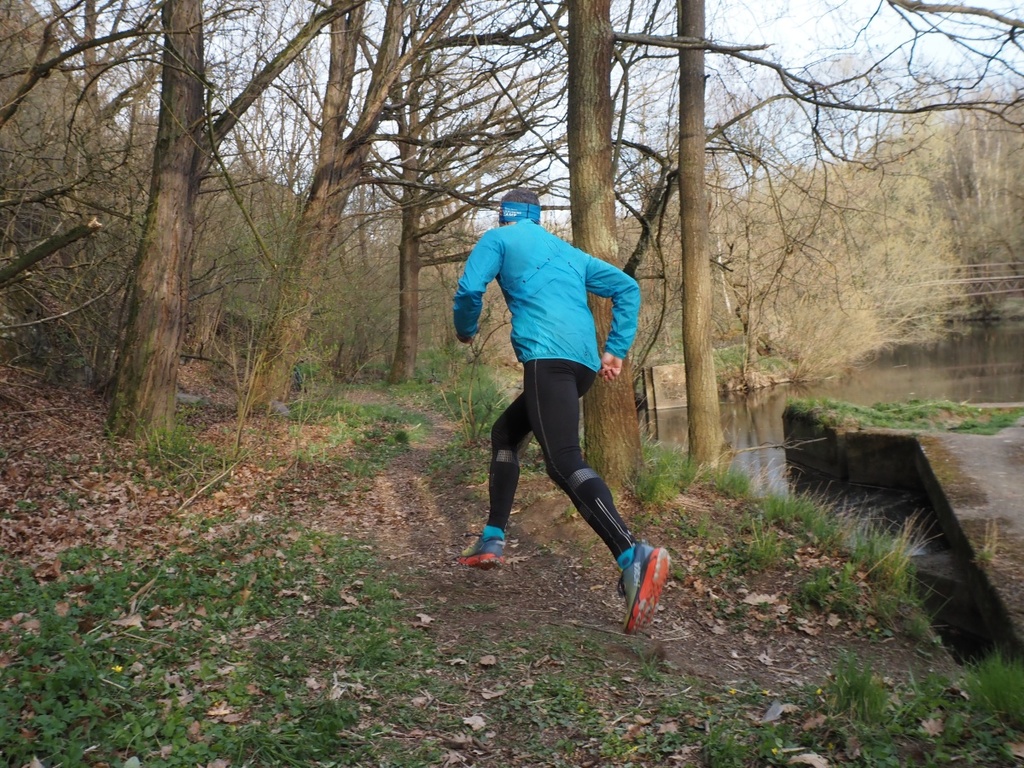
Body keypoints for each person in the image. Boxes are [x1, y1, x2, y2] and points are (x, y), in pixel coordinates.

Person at [452, 188, 671, 634]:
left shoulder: (498, 239)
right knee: (505, 434)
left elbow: (470, 288)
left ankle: (632, 553)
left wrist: (465, 328)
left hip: (546, 359)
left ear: (504, 215)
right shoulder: (570, 253)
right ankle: (492, 539)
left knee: (563, 460)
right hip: (583, 366)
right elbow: (627, 288)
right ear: (536, 217)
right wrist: (615, 350)